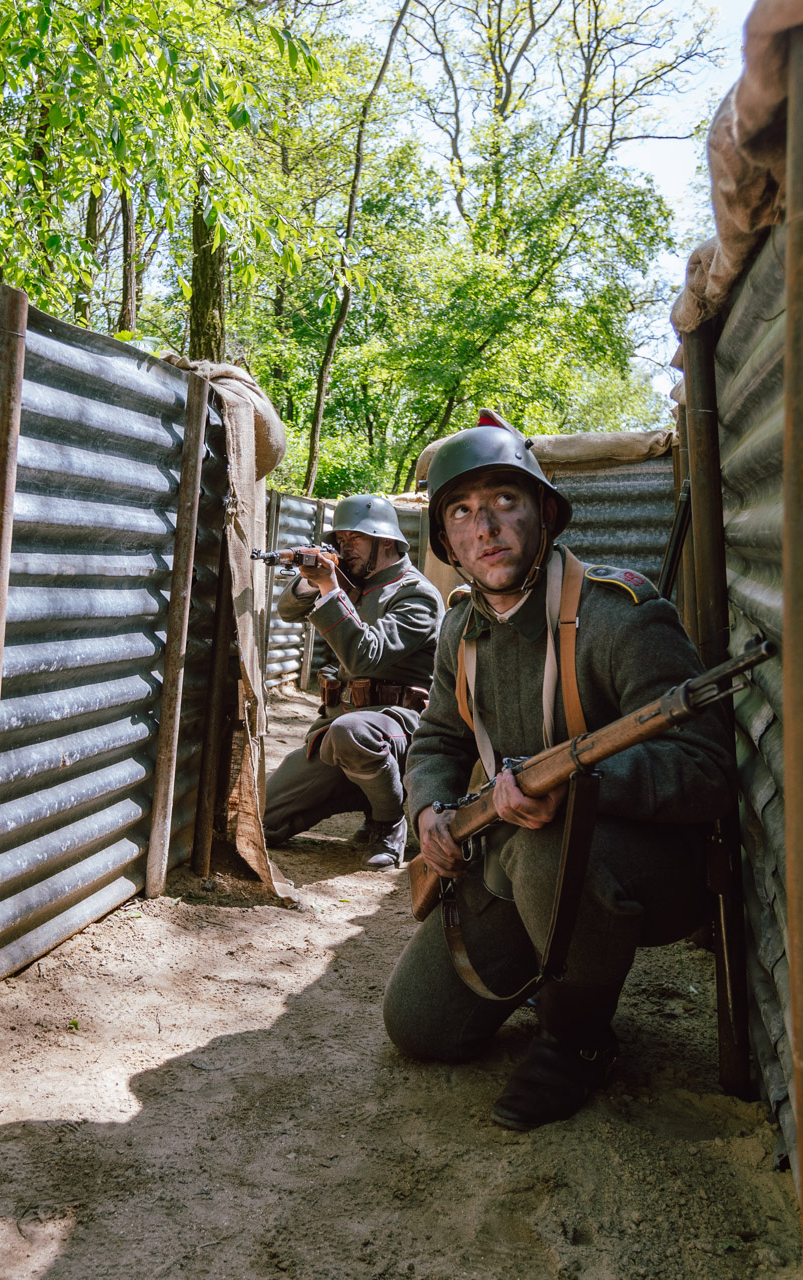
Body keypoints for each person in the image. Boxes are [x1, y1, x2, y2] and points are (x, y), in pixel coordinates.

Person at [383, 423, 735, 1130]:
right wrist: (429, 812)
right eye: (460, 513)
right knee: (419, 1028)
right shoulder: (460, 629)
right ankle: (551, 966)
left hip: (641, 866)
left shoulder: (620, 616)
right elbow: (439, 740)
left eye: (504, 502)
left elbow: (706, 768)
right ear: (446, 545)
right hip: (509, 852)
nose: (485, 528)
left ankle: (579, 1038)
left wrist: (584, 784)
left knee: (549, 852)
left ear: (543, 514)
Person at [262, 494, 442, 868]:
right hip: (339, 731)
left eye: (355, 538)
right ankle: (360, 792)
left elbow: (366, 656)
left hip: (398, 727)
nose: (345, 547)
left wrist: (330, 587)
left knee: (352, 732)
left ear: (387, 541)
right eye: (340, 538)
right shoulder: (351, 582)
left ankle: (388, 822)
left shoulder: (417, 595)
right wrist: (314, 579)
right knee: (262, 820)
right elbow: (288, 609)